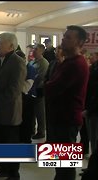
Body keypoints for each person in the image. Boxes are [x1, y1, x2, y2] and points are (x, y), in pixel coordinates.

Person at [45, 25, 89, 180]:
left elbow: (53, 87)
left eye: (68, 37)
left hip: (66, 120)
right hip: (59, 118)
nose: (63, 40)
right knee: (60, 163)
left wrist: (47, 85)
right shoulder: (66, 62)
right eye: (64, 36)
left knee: (65, 166)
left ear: (80, 42)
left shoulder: (76, 64)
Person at [0, 33, 26, 180]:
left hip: (9, 110)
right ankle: (3, 168)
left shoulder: (18, 62)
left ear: (11, 46)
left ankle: (13, 173)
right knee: (1, 141)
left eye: (0, 43)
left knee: (10, 143)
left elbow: (15, 89)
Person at [30, 44, 49, 139]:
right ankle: (31, 129)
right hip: (31, 90)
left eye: (36, 49)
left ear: (42, 51)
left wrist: (31, 80)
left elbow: (41, 76)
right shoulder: (32, 62)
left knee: (40, 112)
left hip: (39, 89)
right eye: (33, 49)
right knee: (32, 111)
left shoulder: (44, 63)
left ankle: (41, 131)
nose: (34, 51)